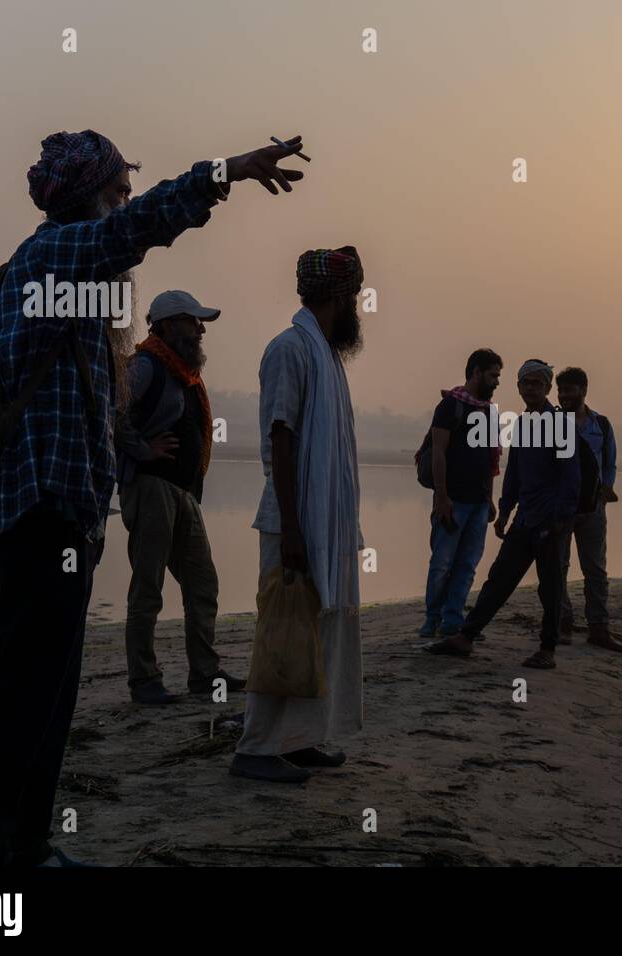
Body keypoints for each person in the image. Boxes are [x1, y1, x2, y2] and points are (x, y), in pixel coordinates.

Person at [0, 129, 307, 867]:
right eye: (115, 187)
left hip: (69, 516)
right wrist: (224, 172)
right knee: (23, 690)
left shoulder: (78, 284)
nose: (125, 199)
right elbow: (138, 227)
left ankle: (26, 846)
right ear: (83, 196)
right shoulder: (54, 256)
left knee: (50, 695)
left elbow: (96, 412)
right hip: (39, 513)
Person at [231, 246, 366, 784]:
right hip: (294, 522)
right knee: (286, 631)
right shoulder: (290, 349)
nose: (357, 308)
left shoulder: (326, 354)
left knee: (322, 628)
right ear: (340, 297)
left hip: (322, 524)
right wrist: (292, 528)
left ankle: (302, 738)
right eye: (354, 297)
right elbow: (280, 438)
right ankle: (257, 749)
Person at [115, 290, 246, 704]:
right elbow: (107, 413)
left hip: (182, 493)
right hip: (151, 488)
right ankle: (144, 680)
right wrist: (142, 449)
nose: (201, 329)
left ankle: (205, 673)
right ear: (168, 326)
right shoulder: (145, 366)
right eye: (193, 321)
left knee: (203, 583)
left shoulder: (185, 373)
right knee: (148, 587)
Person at [424, 359, 579, 669]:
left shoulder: (561, 424)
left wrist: (561, 519)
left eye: (538, 383)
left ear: (548, 388)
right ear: (519, 387)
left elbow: (570, 478)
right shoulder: (522, 424)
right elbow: (515, 474)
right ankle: (465, 637)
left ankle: (547, 649)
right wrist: (505, 511)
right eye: (526, 383)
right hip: (524, 519)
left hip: (549, 520)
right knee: (498, 580)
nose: (531, 388)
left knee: (549, 587)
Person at [419, 348, 503, 641]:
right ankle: (432, 620)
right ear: (476, 372)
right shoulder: (450, 407)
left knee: (467, 565)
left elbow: (492, 460)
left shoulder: (490, 412)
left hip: (478, 502)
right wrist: (442, 496)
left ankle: (452, 620)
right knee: (442, 563)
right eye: (493, 375)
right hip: (453, 500)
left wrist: (490, 498)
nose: (496, 382)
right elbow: (438, 453)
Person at [556, 367, 622, 652]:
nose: (564, 396)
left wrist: (605, 488)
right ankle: (562, 622)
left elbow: (609, 463)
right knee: (558, 567)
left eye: (569, 390)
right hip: (561, 506)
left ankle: (599, 627)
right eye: (560, 391)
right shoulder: (554, 423)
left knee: (595, 569)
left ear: (583, 390)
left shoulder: (602, 425)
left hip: (593, 508)